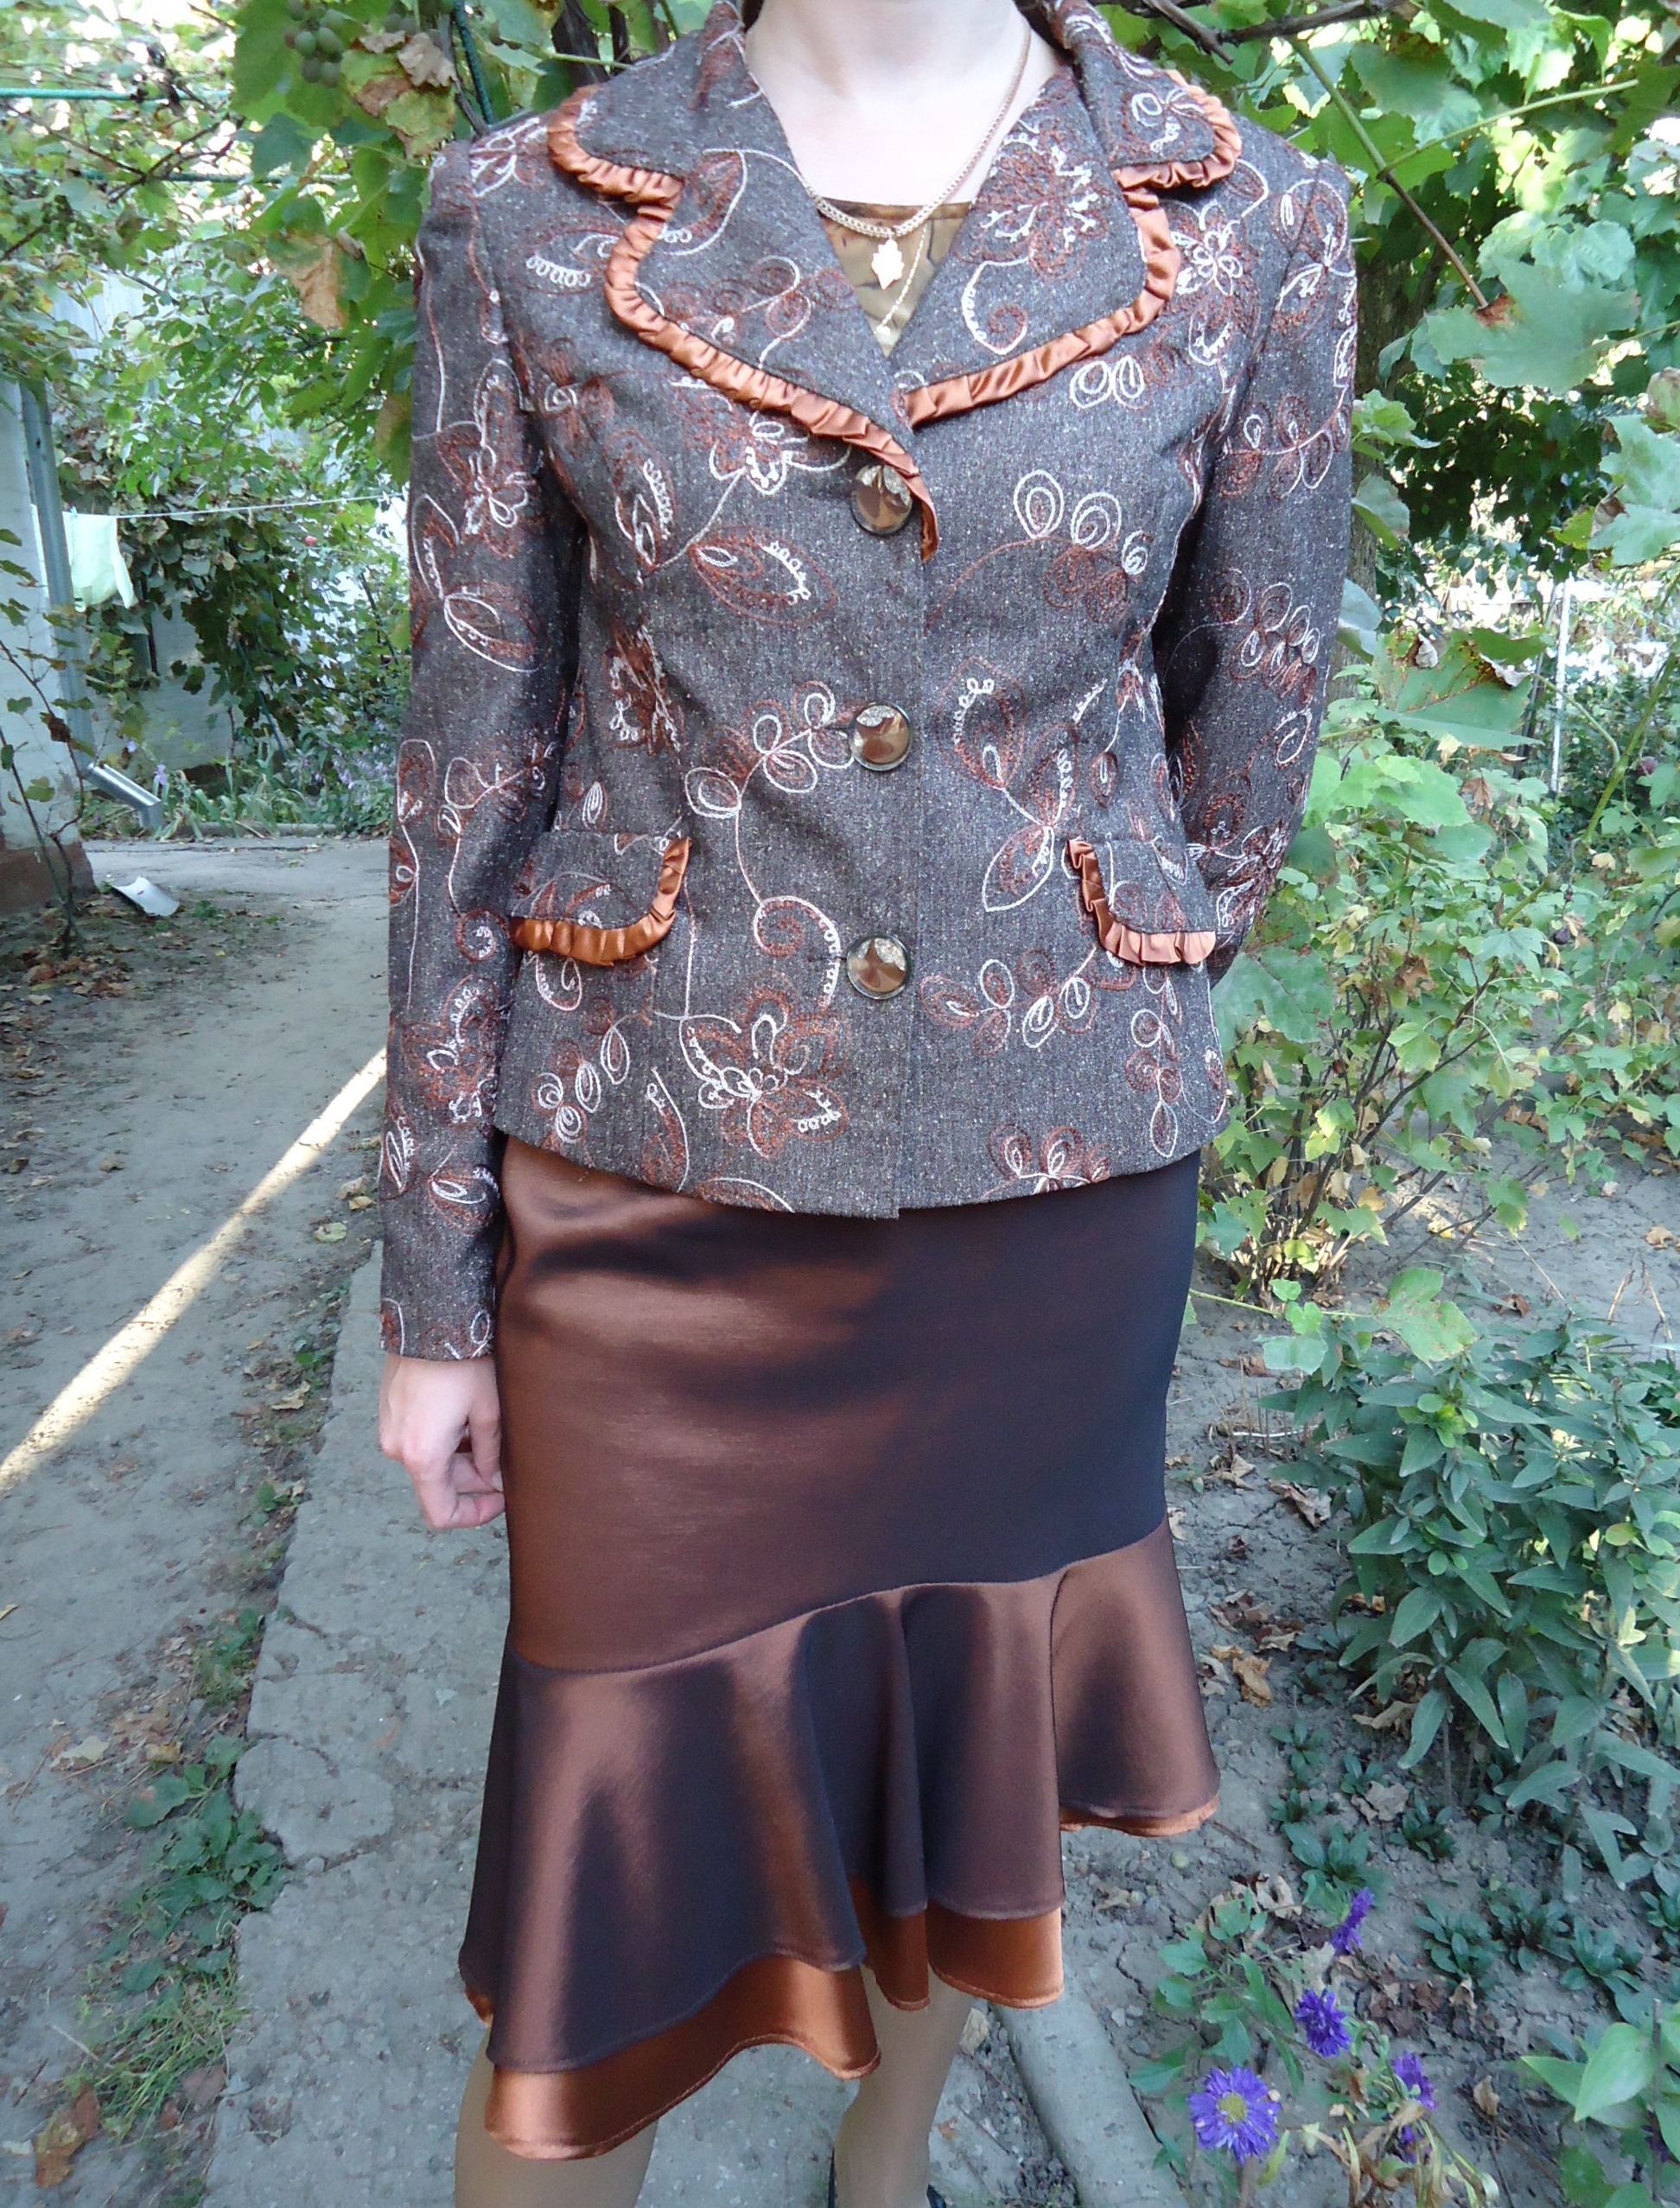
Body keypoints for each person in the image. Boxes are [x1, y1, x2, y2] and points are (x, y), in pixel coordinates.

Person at [377, 0, 1355, 2202]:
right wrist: (436, 1291)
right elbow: (469, 763)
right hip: (650, 1168)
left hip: (1048, 1201)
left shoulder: (1248, 219)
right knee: (601, 1861)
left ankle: (883, 2163)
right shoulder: (529, 212)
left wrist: (1068, 992)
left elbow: (1257, 710)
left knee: (968, 1750)